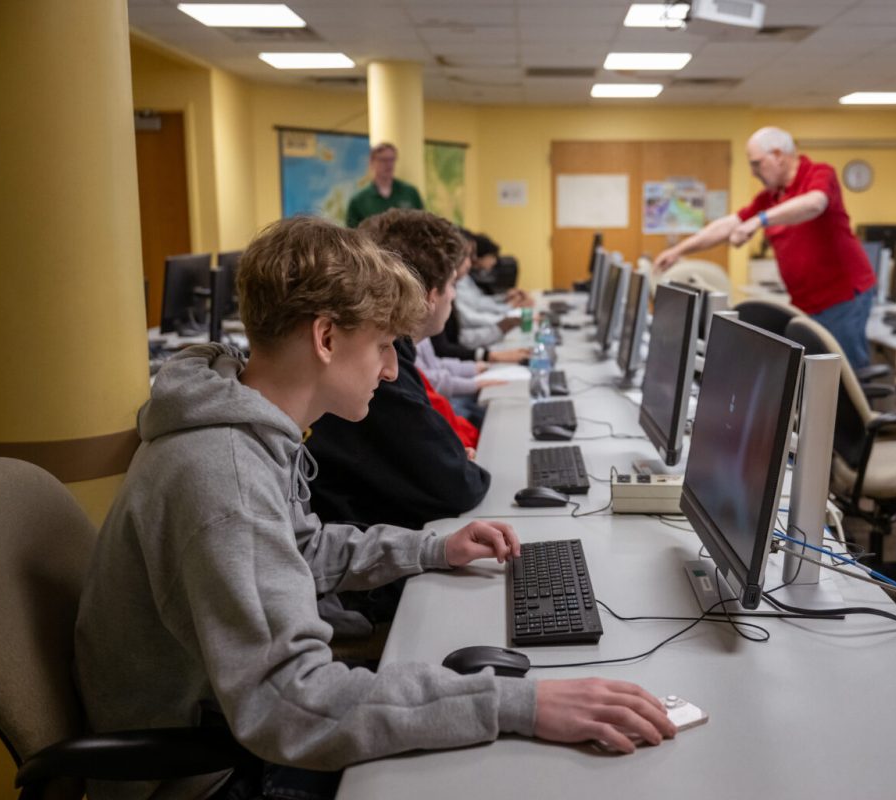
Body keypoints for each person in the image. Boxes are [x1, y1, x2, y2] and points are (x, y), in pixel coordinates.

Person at [74, 216, 675, 800]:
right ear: (326, 337)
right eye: (385, 345)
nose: (392, 370)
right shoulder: (223, 473)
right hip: (212, 772)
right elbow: (290, 706)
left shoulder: (243, 424)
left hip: (233, 725)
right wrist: (520, 702)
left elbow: (301, 550)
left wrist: (432, 548)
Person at [306, 210, 491, 531]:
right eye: (382, 345)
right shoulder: (366, 384)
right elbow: (454, 485)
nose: (389, 370)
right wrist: (448, 464)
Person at [654, 127, 876, 369]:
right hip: (806, 301)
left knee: (843, 377)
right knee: (813, 376)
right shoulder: (770, 197)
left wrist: (759, 221)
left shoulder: (819, 174)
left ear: (778, 155)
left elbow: (815, 203)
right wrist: (679, 251)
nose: (753, 172)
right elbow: (727, 225)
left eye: (757, 164)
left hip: (842, 298)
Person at [346, 142, 424, 228]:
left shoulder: (410, 193)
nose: (389, 165)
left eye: (392, 159)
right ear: (372, 162)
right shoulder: (358, 200)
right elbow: (352, 236)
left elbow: (423, 226)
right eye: (383, 160)